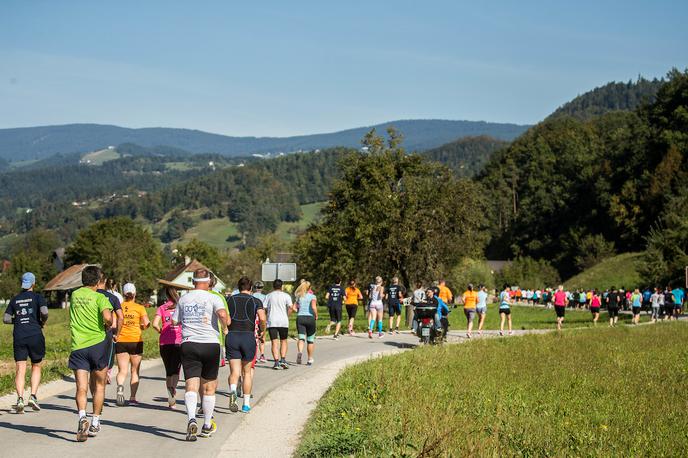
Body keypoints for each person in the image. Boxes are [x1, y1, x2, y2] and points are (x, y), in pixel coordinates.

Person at [173, 268, 229, 441]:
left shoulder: (184, 298)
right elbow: (222, 315)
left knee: (191, 385)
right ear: (209, 281)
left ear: (193, 281)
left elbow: (175, 320)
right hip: (210, 344)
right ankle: (206, 424)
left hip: (189, 343)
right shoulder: (214, 297)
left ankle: (191, 418)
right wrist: (225, 325)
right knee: (209, 387)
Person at [67, 266, 113, 441]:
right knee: (100, 386)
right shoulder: (100, 298)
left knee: (81, 387)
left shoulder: (75, 295)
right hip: (97, 345)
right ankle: (95, 421)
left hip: (78, 346)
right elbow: (108, 318)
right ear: (97, 280)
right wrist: (107, 325)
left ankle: (81, 417)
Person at [3, 272, 49, 413]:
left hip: (19, 336)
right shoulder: (37, 297)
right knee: (36, 365)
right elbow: (45, 312)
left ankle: (20, 399)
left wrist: (17, 320)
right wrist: (42, 321)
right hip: (35, 334)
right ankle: (33, 396)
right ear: (33, 283)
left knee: (20, 368)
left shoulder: (15, 299)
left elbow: (5, 318)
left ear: (22, 284)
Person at [226, 277, 266, 414]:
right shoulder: (256, 301)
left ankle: (232, 391)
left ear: (238, 286)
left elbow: (224, 317)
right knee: (247, 372)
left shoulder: (230, 299)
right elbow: (262, 318)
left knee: (234, 372)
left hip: (232, 336)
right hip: (248, 336)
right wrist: (263, 330)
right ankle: (246, 405)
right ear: (251, 288)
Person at [114, 283, 150, 407]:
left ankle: (120, 387)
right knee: (135, 371)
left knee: (122, 370)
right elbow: (146, 323)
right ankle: (133, 397)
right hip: (136, 341)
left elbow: (114, 324)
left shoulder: (118, 307)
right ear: (134, 294)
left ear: (124, 294)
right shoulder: (140, 308)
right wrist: (141, 326)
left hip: (121, 340)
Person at [152, 284, 183, 408]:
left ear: (166, 295)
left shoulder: (162, 307)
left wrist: (161, 331)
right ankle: (173, 393)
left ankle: (169, 391)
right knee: (176, 370)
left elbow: (154, 324)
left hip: (164, 342)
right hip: (178, 342)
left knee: (168, 371)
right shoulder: (181, 306)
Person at [96, 278, 122, 385]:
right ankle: (106, 373)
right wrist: (117, 333)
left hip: (92, 331)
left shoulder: (91, 295)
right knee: (108, 356)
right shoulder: (113, 297)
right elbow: (120, 317)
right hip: (108, 331)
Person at [264, 279, 292, 370]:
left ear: (273, 286)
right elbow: (290, 307)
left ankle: (276, 362)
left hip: (272, 321)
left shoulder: (268, 296)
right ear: (281, 286)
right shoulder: (286, 296)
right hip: (283, 321)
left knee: (274, 342)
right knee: (283, 340)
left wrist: (267, 315)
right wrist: (287, 315)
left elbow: (264, 308)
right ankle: (283, 360)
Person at [293, 280, 318, 364]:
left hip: (300, 318)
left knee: (301, 338)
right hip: (310, 318)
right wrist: (316, 315)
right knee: (310, 340)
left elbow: (294, 308)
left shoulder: (298, 296)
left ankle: (300, 352)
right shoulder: (312, 296)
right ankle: (310, 358)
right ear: (309, 288)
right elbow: (314, 307)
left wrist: (298, 311)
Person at [252, 282, 268, 362]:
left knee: (254, 336)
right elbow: (265, 308)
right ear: (262, 288)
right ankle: (262, 355)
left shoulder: (252, 296)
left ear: (254, 287)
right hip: (262, 317)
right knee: (262, 336)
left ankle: (254, 355)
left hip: (253, 318)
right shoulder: (265, 297)